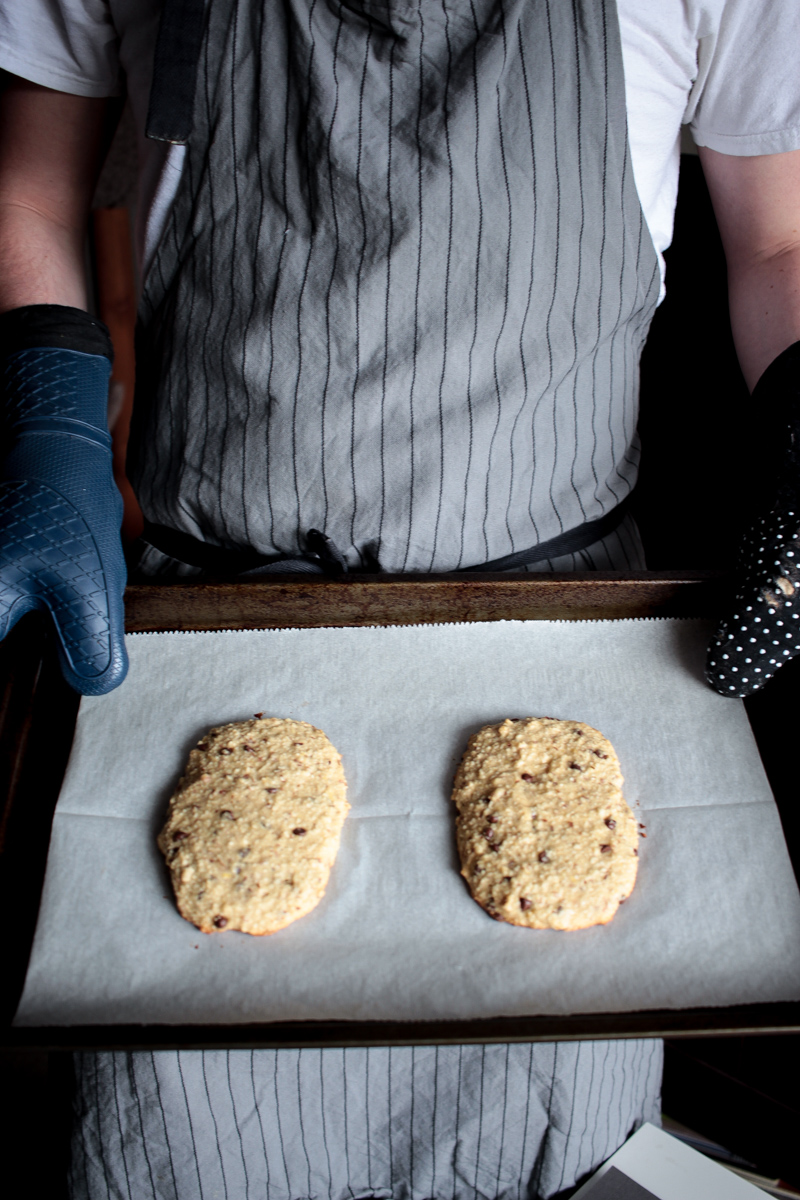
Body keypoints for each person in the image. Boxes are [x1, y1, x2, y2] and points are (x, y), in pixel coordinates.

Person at [1, 1, 799, 1197]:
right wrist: (44, 398)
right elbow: (30, 191)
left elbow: (776, 241)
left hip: (565, 625)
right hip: (207, 626)